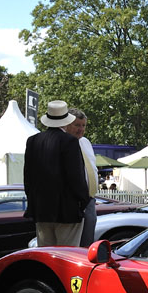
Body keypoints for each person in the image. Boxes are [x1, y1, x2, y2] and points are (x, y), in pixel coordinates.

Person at [24, 100, 90, 247]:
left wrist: (33, 202)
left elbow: (27, 177)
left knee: (45, 254)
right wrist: (83, 201)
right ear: (66, 121)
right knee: (66, 256)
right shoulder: (70, 142)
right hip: (67, 210)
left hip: (41, 210)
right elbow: (76, 177)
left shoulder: (33, 141)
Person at [65, 108, 98, 247]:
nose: (81, 129)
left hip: (89, 200)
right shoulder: (63, 143)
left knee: (87, 242)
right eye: (77, 125)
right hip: (73, 201)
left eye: (83, 125)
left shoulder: (85, 142)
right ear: (67, 125)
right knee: (72, 245)